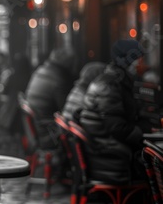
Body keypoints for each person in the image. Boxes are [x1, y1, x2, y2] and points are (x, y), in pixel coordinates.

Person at [79, 39, 152, 183]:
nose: (142, 64)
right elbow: (118, 129)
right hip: (109, 153)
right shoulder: (110, 85)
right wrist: (148, 131)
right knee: (155, 158)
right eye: (139, 59)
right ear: (128, 62)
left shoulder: (116, 80)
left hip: (104, 148)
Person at [24, 47, 76, 149]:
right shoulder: (59, 79)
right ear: (68, 64)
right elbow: (65, 109)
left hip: (38, 126)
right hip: (48, 131)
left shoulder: (41, 70)